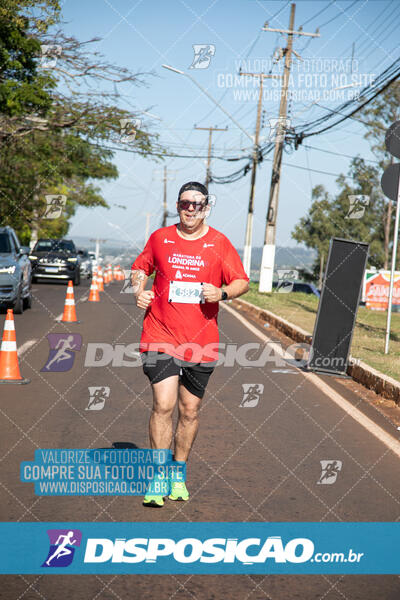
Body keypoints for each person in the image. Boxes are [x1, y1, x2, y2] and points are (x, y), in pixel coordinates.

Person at [131, 181, 249, 507]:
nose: (191, 209)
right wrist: (138, 289)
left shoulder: (218, 243)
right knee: (164, 404)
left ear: (206, 207)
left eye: (197, 204)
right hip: (160, 334)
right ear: (178, 205)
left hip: (202, 339)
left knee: (189, 410)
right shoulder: (160, 239)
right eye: (185, 203)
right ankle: (158, 475)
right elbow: (140, 269)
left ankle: (178, 472)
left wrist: (222, 293)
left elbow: (241, 281)